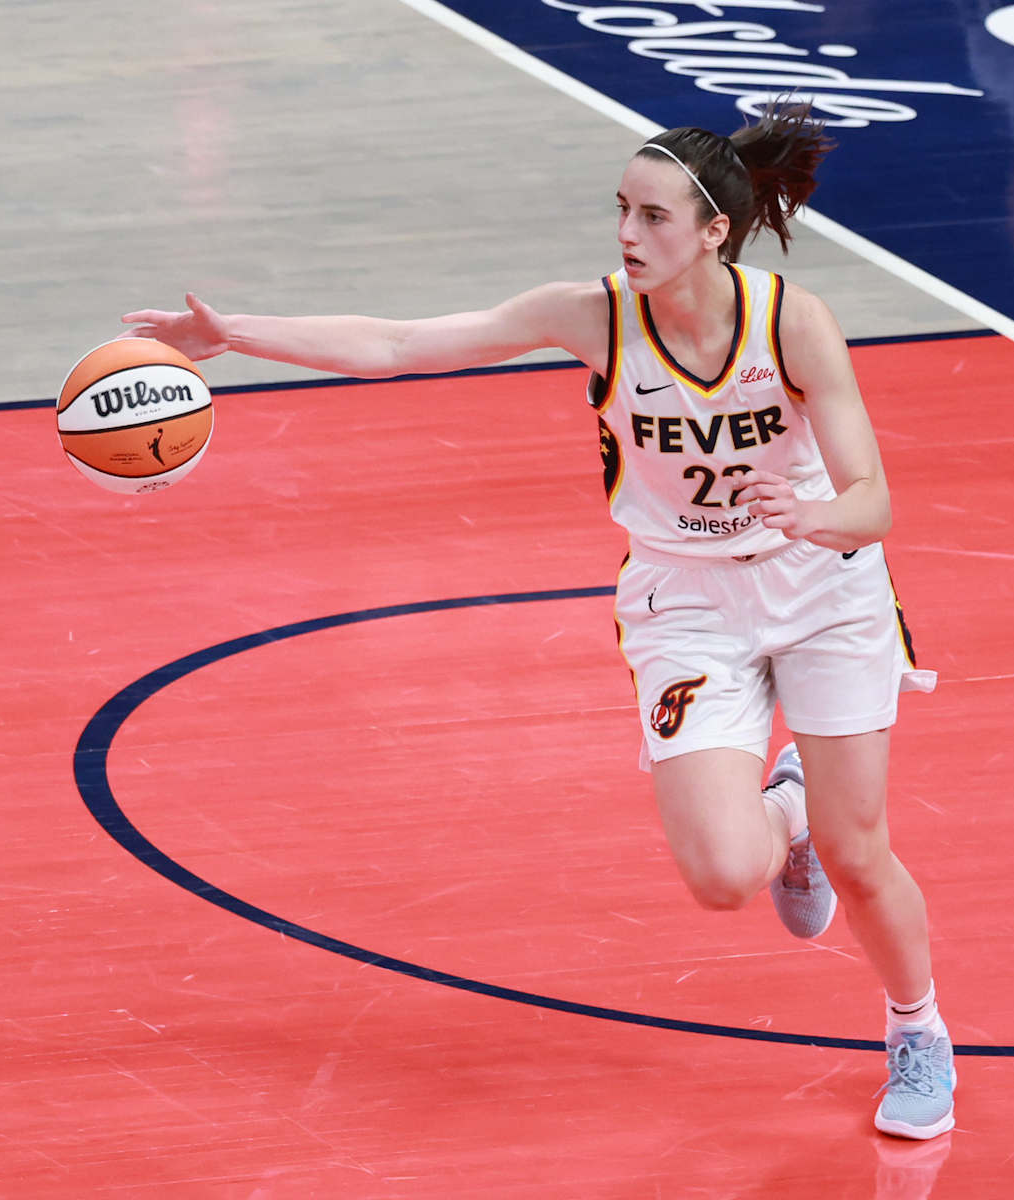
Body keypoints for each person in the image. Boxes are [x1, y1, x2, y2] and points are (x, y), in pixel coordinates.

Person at [121, 103, 954, 1140]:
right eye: (620, 211)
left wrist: (819, 514)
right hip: (688, 597)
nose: (625, 235)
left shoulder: (791, 320)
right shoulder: (596, 316)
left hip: (822, 583)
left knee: (864, 851)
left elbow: (874, 500)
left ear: (713, 233)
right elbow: (400, 342)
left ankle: (916, 1027)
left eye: (652, 218)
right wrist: (234, 336)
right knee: (722, 877)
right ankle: (787, 818)